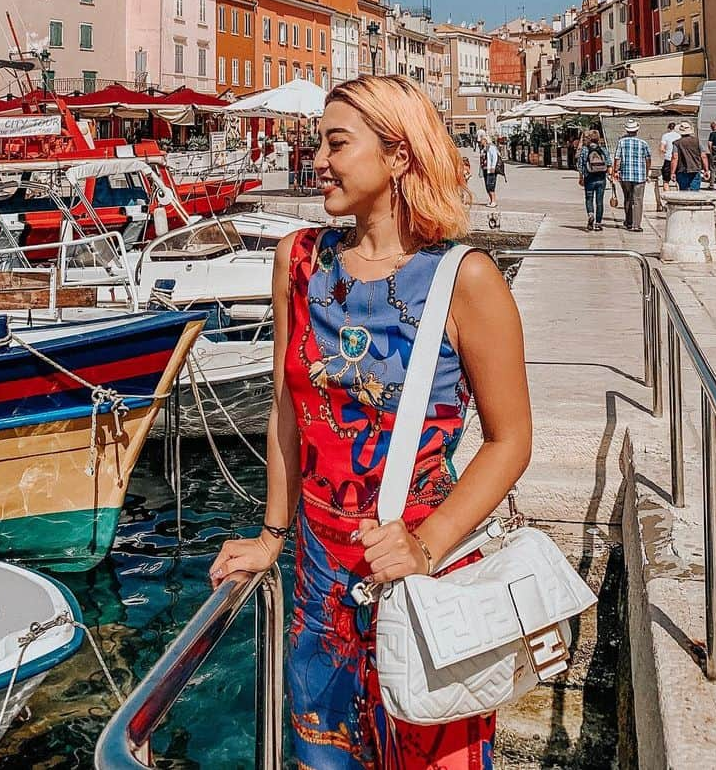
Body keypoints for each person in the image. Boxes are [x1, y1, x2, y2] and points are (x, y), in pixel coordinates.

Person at [209, 75, 532, 769]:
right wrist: (272, 534)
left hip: (425, 574)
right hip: (320, 580)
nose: (317, 159)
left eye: (336, 142)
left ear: (398, 155)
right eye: (317, 142)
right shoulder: (297, 261)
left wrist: (426, 543)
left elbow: (511, 440)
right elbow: (286, 410)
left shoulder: (464, 279)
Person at [612, 118, 652, 232]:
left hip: (625, 175)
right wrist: (647, 171)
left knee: (628, 198)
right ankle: (636, 225)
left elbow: (617, 158)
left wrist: (615, 171)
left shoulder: (621, 142)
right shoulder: (643, 143)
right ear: (637, 130)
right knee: (638, 200)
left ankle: (628, 222)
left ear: (627, 130)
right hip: (640, 175)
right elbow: (648, 158)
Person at [576, 129, 610, 231]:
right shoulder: (603, 149)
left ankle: (591, 215)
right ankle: (598, 223)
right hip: (601, 178)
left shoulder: (585, 150)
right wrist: (610, 175)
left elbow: (580, 165)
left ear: (589, 138)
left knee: (589, 198)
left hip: (589, 178)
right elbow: (609, 163)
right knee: (599, 201)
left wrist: (581, 177)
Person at [670, 120, 709, 191]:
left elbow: (675, 157)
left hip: (682, 171)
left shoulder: (677, 143)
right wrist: (706, 170)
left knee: (684, 193)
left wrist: (672, 172)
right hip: (695, 169)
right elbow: (703, 156)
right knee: (695, 193)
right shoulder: (697, 141)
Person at [478, 131, 500, 206]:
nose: (480, 141)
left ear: (485, 140)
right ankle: (491, 200)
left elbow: (494, 158)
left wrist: (493, 167)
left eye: (482, 140)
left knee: (490, 185)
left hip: (490, 169)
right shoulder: (483, 149)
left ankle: (494, 201)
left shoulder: (491, 147)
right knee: (487, 185)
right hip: (485, 169)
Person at [659, 121, 679, 188]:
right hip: (678, 160)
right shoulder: (679, 136)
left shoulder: (665, 136)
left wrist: (666, 151)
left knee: (666, 181)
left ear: (668, 128)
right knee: (678, 180)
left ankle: (667, 195)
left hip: (668, 158)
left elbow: (662, 148)